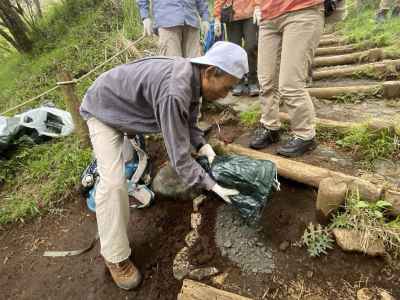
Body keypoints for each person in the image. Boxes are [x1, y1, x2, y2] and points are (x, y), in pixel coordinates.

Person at [79, 41, 248, 290]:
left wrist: (203, 146)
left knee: (130, 164)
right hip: (103, 109)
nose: (227, 94)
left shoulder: (193, 77)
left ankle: (126, 137)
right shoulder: (174, 92)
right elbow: (179, 157)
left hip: (125, 106)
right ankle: (115, 257)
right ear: (211, 72)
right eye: (227, 87)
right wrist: (212, 185)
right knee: (114, 183)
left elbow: (188, 122)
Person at [250, 0, 324, 157]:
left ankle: (305, 135)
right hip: (268, 16)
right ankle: (270, 127)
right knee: (266, 81)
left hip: (302, 10)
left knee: (290, 83)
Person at [213, 0, 260, 96]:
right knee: (234, 50)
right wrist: (217, 18)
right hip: (232, 15)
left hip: (250, 13)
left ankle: (253, 81)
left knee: (251, 46)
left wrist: (257, 6)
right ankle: (238, 81)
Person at [137, 0, 210, 58]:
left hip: (191, 20)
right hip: (167, 21)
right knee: (172, 67)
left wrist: (205, 16)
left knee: (195, 65)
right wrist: (145, 17)